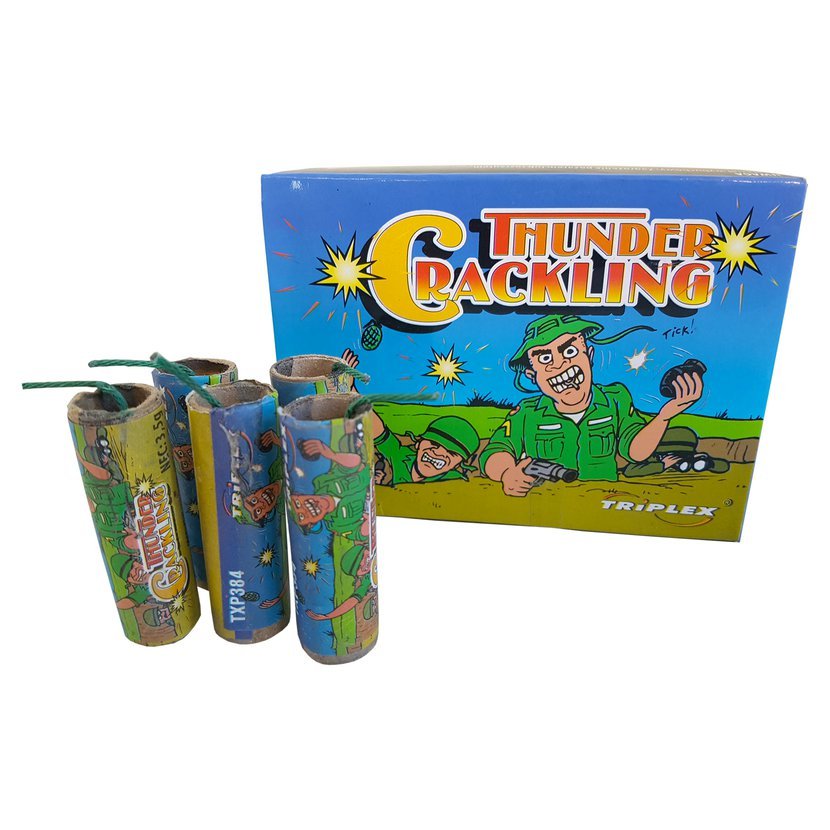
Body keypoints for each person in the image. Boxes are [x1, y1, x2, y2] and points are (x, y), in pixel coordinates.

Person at [479, 314, 704, 495]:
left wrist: (665, 416)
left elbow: (635, 452)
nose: (561, 364)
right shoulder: (527, 412)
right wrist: (507, 473)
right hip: (546, 505)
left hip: (602, 503)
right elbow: (496, 451)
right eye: (545, 358)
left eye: (569, 351)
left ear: (590, 355)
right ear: (532, 375)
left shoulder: (616, 398)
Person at [371, 413, 479, 484]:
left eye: (451, 452)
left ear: (457, 464)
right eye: (434, 443)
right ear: (418, 444)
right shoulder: (400, 455)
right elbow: (380, 433)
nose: (438, 452)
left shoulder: (454, 480)